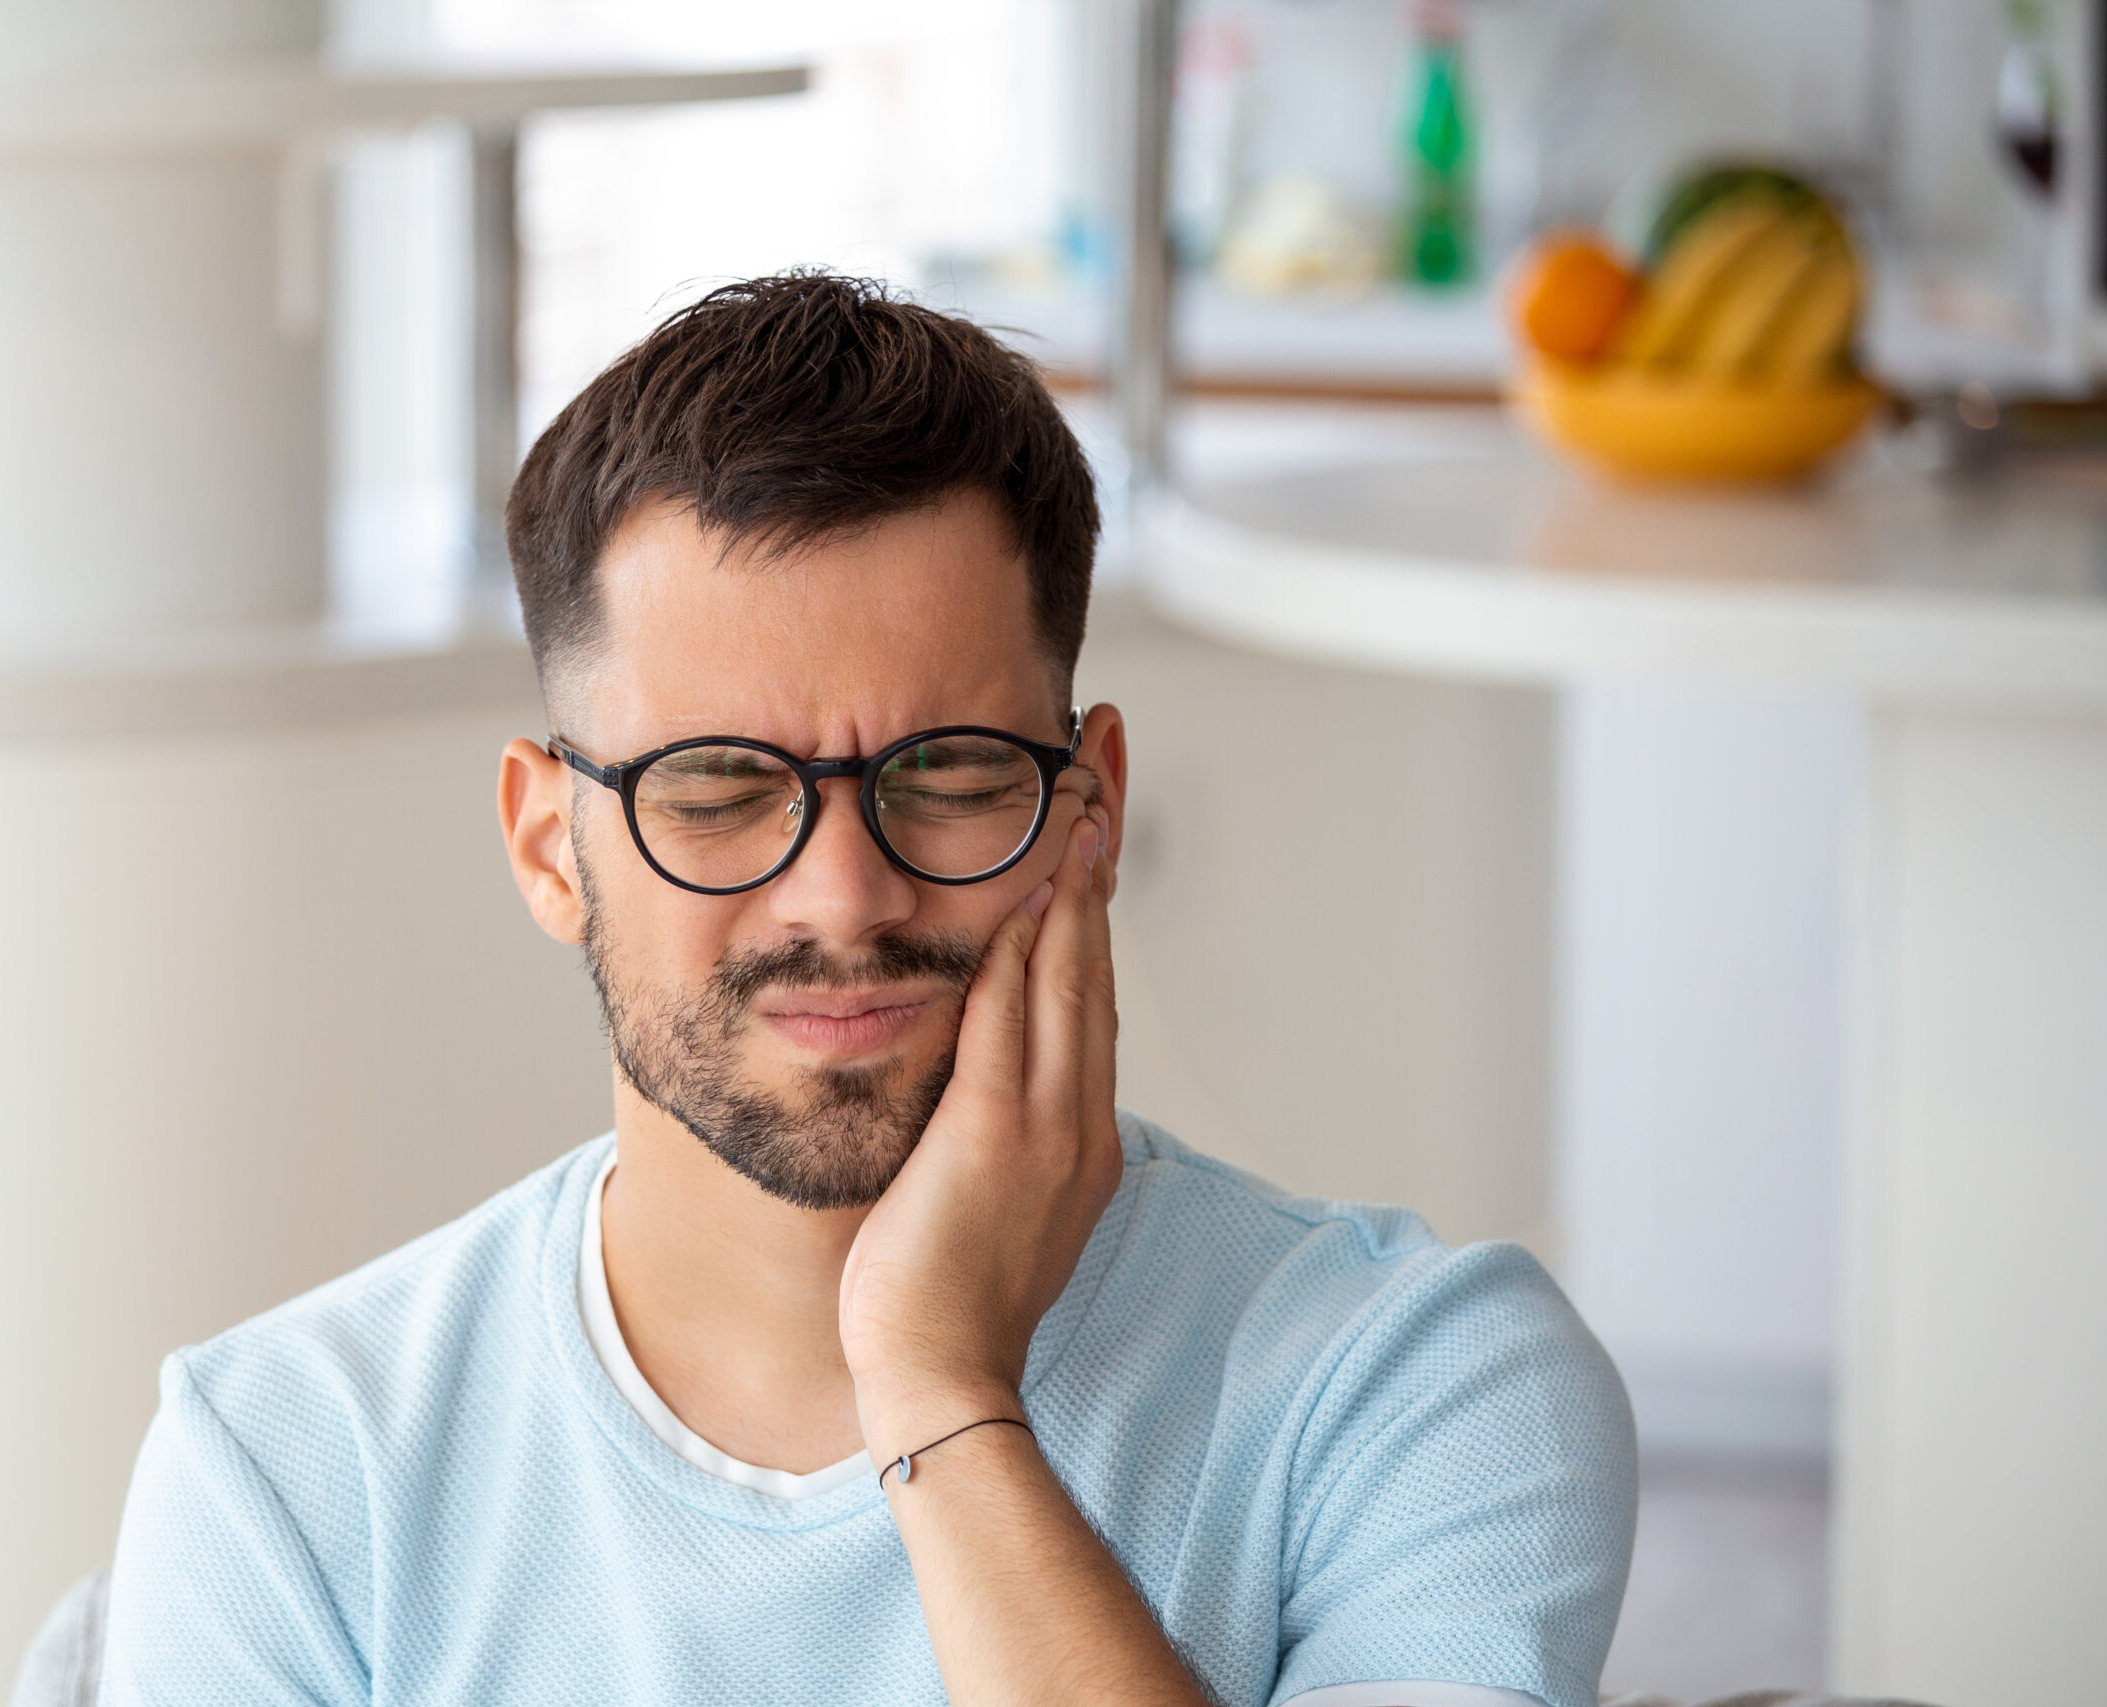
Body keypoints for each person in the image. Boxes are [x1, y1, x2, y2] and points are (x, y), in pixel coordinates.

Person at [99, 273, 1636, 1707]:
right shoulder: (289, 1472)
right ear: (547, 846)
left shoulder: (1417, 1386)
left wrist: (936, 1387)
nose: (842, 895)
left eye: (950, 775)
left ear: (1089, 810)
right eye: (715, 788)